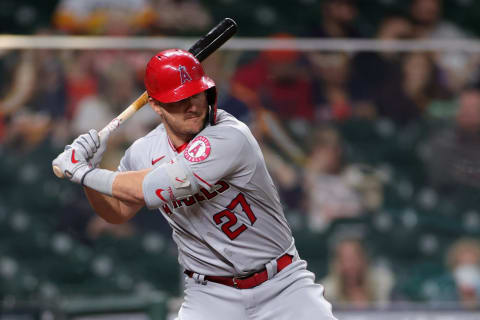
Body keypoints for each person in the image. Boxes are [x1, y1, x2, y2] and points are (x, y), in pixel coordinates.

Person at [52, 49, 337, 319]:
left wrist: (83, 173)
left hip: (281, 284)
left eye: (197, 94)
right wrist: (92, 174)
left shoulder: (230, 136)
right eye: (179, 99)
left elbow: (151, 186)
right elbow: (116, 212)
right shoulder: (143, 152)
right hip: (210, 295)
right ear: (155, 105)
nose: (192, 106)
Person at [321, 238, 394, 309]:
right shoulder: (326, 291)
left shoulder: (383, 285)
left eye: (354, 259)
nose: (349, 265)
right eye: (344, 260)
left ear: (364, 259)